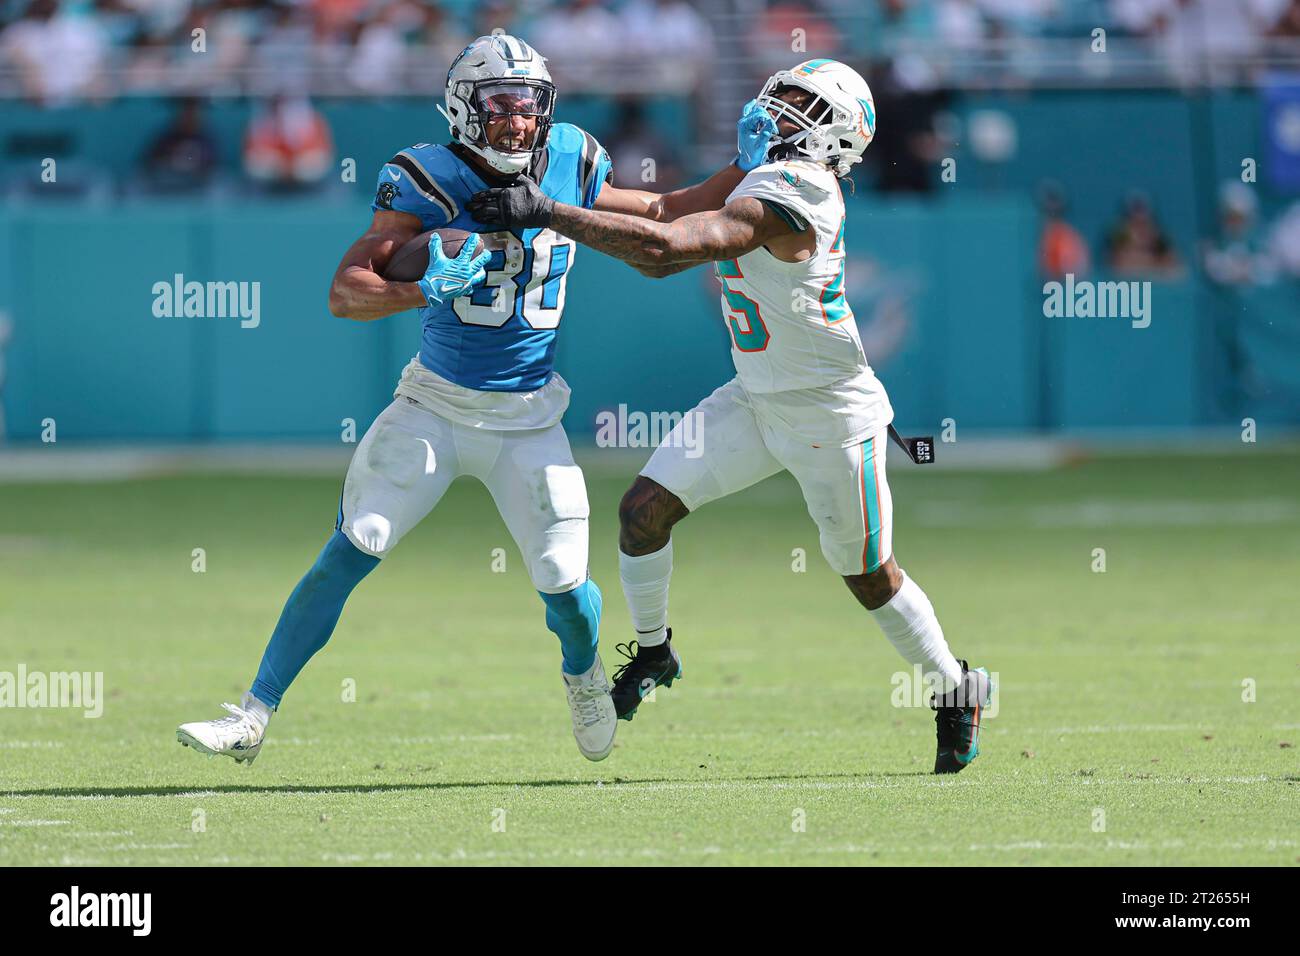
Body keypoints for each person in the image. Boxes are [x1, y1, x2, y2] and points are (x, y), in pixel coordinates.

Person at [176, 34, 763, 767]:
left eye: (529, 105)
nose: (518, 121)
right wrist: (423, 288)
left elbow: (661, 209)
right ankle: (253, 714)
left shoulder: (570, 157)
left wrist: (740, 169)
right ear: (464, 108)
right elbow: (345, 292)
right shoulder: (426, 175)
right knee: (355, 544)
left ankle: (583, 677)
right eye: (501, 105)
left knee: (566, 589)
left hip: (530, 418)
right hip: (434, 405)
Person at [469, 59, 993, 773]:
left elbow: (666, 253)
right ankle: (654, 652)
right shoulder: (762, 176)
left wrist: (548, 213)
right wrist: (577, 192)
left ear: (839, 130)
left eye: (803, 102)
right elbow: (664, 211)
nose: (780, 107)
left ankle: (956, 686)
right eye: (783, 93)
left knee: (869, 575)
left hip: (830, 414)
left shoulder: (801, 190)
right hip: (755, 395)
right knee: (642, 512)